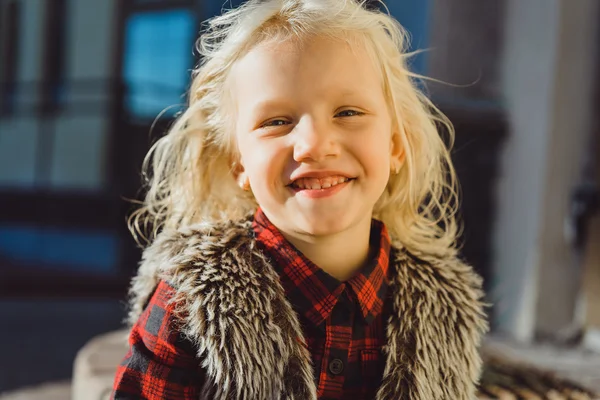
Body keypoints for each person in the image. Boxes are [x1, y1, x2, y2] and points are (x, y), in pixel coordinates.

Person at [111, 0, 489, 399]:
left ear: (395, 145)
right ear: (238, 162)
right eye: (276, 121)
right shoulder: (190, 301)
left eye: (347, 112)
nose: (313, 145)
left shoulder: (445, 309)